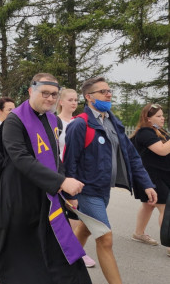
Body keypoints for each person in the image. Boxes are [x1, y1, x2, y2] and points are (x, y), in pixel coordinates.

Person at [0, 73, 91, 284]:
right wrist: (60, 182)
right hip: (18, 200)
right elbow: (20, 158)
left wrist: (65, 188)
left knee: (58, 259)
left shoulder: (53, 119)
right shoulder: (15, 120)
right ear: (31, 91)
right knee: (14, 264)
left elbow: (55, 158)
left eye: (53, 94)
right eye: (44, 93)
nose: (50, 98)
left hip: (46, 198)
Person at [64, 76, 157, 284]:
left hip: (104, 190)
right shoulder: (80, 125)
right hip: (86, 191)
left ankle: (65, 261)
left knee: (88, 227)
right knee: (105, 238)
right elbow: (69, 162)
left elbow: (132, 156)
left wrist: (147, 183)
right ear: (89, 97)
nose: (109, 94)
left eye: (109, 91)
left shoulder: (114, 122)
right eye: (103, 92)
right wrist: (71, 195)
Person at [57, 89, 96, 268]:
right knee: (60, 213)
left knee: (75, 213)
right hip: (58, 173)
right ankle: (65, 250)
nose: (74, 103)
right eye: (70, 100)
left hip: (75, 173)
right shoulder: (55, 123)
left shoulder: (79, 122)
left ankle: (76, 250)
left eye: (76, 100)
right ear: (61, 102)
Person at [131, 103, 170, 257]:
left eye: (163, 115)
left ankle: (138, 233)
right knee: (165, 209)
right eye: (158, 116)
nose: (163, 118)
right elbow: (161, 151)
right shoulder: (145, 132)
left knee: (149, 205)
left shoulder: (160, 131)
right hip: (151, 176)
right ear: (148, 118)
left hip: (162, 174)